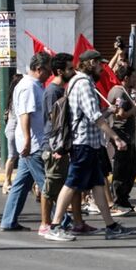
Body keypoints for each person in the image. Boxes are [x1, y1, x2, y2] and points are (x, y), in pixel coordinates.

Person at [44, 50, 134, 241]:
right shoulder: (83, 84)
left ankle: (110, 226)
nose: (102, 68)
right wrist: (115, 138)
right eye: (100, 64)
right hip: (84, 143)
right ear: (91, 63)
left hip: (90, 144)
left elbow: (90, 113)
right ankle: (54, 226)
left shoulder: (83, 83)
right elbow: (93, 117)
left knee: (98, 184)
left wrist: (107, 111)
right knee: (71, 184)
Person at [40, 53, 92, 237]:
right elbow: (54, 121)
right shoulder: (53, 91)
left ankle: (78, 222)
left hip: (67, 145)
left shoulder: (64, 89)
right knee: (51, 187)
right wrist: (58, 148)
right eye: (70, 68)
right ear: (60, 71)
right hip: (55, 147)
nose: (74, 71)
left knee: (74, 185)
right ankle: (46, 224)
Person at [0, 53, 52, 232]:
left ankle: (8, 221)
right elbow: (25, 115)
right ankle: (62, 219)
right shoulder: (29, 86)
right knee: (47, 184)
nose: (50, 73)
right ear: (39, 69)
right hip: (33, 145)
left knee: (21, 185)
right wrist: (28, 141)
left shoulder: (34, 85)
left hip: (31, 144)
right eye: (48, 69)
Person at [108, 65, 136, 214]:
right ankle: (118, 199)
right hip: (122, 135)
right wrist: (133, 110)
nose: (135, 79)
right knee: (122, 169)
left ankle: (124, 197)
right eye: (133, 76)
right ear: (126, 78)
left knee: (132, 168)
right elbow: (119, 114)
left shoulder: (126, 92)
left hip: (129, 136)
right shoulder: (119, 92)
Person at [2, 73, 24, 195]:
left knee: (13, 156)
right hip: (14, 130)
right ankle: (7, 182)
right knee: (14, 156)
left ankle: (7, 182)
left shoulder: (11, 97)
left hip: (11, 130)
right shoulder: (17, 98)